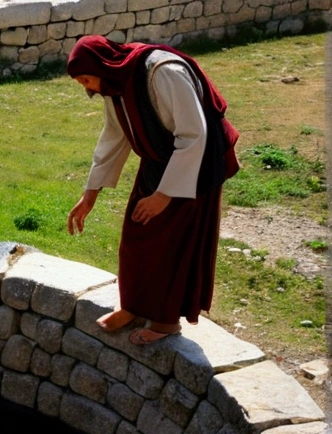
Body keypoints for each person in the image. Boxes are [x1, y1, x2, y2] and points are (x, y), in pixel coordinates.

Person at [65, 35, 240, 345]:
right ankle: (133, 307)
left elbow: (193, 134)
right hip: (160, 159)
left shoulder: (163, 72)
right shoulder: (113, 84)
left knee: (173, 244)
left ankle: (165, 323)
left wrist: (164, 195)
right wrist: (90, 194)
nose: (88, 88)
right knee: (136, 235)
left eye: (86, 79)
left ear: (102, 67)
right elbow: (114, 135)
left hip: (197, 161)